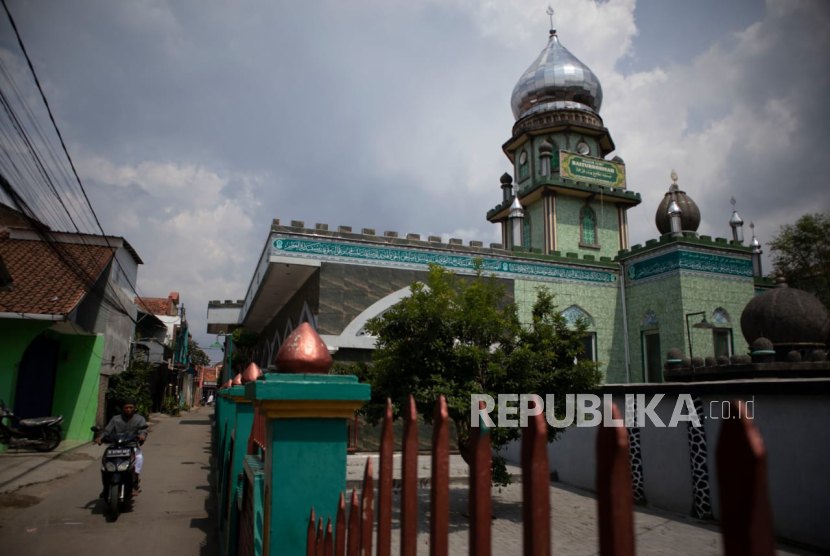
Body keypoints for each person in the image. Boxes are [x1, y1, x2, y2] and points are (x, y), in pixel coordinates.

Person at [95, 398, 147, 496]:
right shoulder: (115, 419)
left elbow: (143, 430)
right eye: (126, 407)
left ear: (134, 408)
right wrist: (100, 438)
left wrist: (142, 436)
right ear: (122, 408)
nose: (128, 409)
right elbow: (107, 431)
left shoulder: (140, 419)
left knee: (139, 458)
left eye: (131, 407)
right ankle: (106, 485)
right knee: (105, 461)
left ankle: (133, 482)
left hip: (131, 446)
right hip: (115, 446)